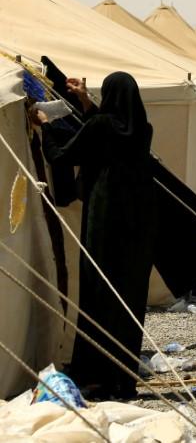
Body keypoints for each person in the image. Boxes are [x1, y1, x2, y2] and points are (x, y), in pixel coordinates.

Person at [31, 72, 156, 399]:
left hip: (104, 228)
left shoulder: (101, 128)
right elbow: (108, 128)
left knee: (100, 298)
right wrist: (86, 101)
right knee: (128, 302)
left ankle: (97, 377)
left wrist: (44, 124)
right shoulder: (142, 131)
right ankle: (123, 379)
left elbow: (63, 155)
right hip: (137, 234)